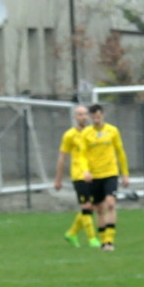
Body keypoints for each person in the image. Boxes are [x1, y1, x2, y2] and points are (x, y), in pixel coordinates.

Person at [77, 103, 129, 252]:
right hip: (94, 175)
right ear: (91, 117)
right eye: (94, 117)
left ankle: (110, 241)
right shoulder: (86, 133)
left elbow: (120, 152)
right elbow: (82, 155)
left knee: (111, 203)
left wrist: (125, 174)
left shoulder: (112, 131)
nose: (97, 119)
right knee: (99, 209)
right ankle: (103, 241)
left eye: (99, 116)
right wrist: (85, 171)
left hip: (111, 173)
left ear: (103, 115)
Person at [54, 105, 100, 249]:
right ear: (75, 117)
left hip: (92, 175)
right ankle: (92, 239)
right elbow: (62, 157)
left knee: (91, 207)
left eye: (85, 114)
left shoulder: (92, 133)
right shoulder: (69, 135)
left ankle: (72, 233)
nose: (83, 117)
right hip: (79, 176)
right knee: (86, 205)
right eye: (80, 114)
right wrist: (58, 179)